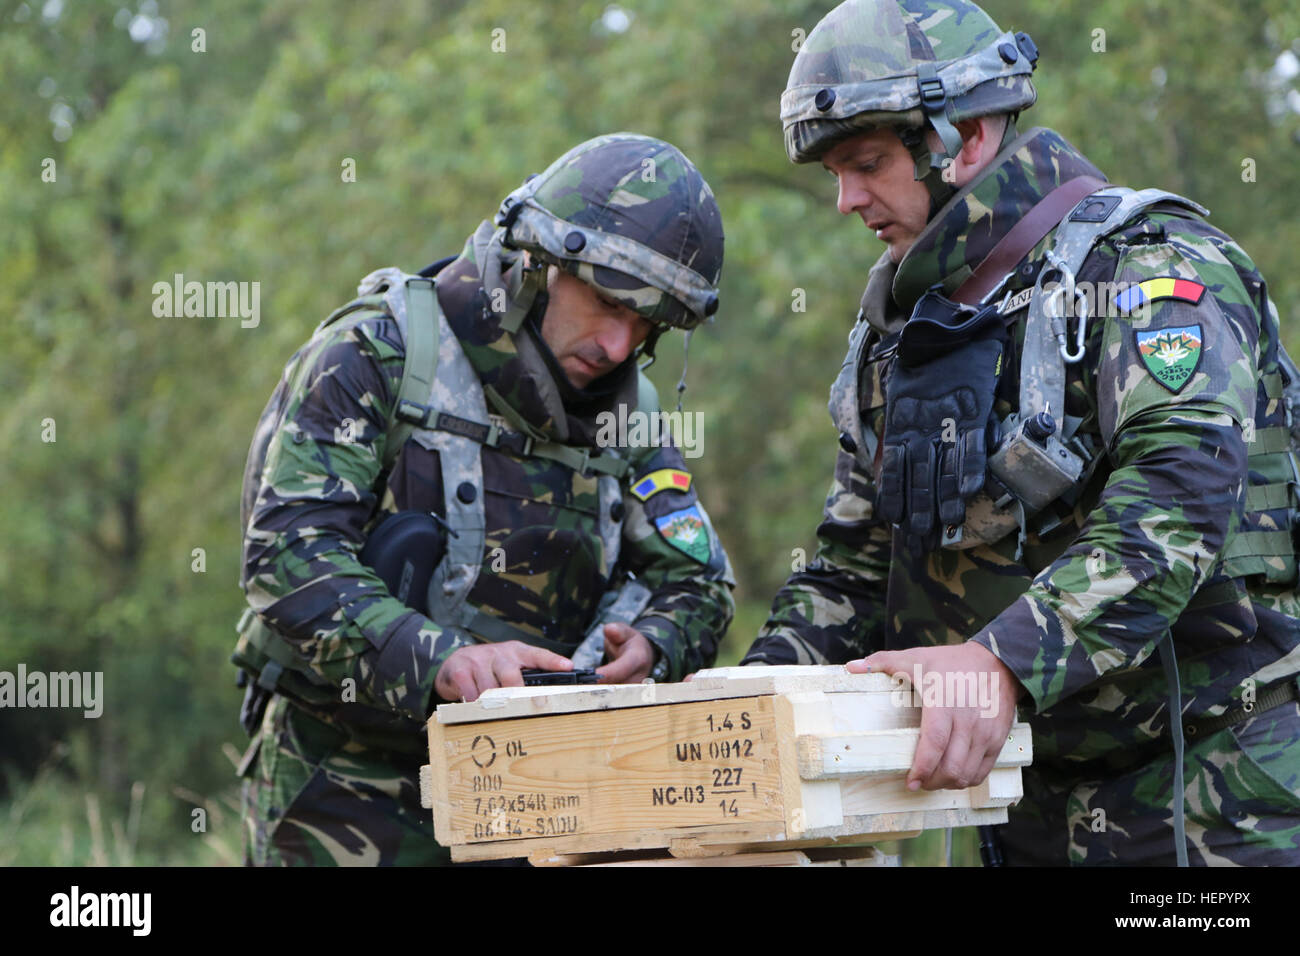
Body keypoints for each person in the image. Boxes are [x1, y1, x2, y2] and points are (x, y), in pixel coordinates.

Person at [743, 0, 1300, 865]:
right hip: (1026, 809)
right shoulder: (913, 330)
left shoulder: (1150, 269)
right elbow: (855, 565)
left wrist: (1000, 664)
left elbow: (1177, 508)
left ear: (964, 139)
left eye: (866, 164)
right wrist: (738, 711)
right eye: (834, 174)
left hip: (1219, 797)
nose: (847, 200)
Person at [233, 132, 735, 866]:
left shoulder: (628, 416)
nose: (620, 346)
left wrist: (654, 644)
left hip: (535, 792)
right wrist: (443, 661)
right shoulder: (380, 352)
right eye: (605, 301)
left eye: (648, 323)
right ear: (536, 263)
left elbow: (698, 580)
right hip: (347, 786)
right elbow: (285, 558)